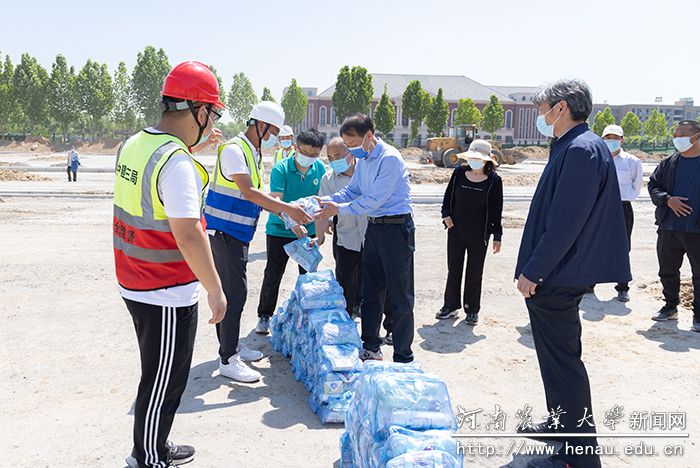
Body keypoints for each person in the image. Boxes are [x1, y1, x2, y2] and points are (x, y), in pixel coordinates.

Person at [114, 61, 227, 468]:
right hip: (163, 288)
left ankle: (156, 445)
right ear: (199, 111)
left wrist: (190, 150)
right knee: (163, 381)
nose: (212, 121)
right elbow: (188, 233)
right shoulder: (177, 163)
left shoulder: (136, 144)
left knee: (165, 375)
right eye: (212, 113)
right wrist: (215, 289)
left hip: (136, 276)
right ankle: (147, 457)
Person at [514, 79, 630, 468]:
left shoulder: (581, 149)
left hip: (558, 274)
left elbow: (566, 222)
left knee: (563, 363)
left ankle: (577, 457)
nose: (540, 116)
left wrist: (535, 270)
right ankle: (560, 425)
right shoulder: (573, 145)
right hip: (560, 272)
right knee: (556, 359)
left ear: (560, 108)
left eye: (542, 108)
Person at [204, 102, 312, 382]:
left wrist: (289, 219)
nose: (277, 136)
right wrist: (288, 209)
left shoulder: (252, 152)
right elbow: (250, 193)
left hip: (237, 232)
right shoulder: (233, 150)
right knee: (235, 295)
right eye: (275, 130)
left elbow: (262, 197)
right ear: (260, 125)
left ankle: (232, 347)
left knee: (235, 293)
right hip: (224, 231)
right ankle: (228, 359)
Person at [316, 113, 414, 363]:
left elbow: (374, 200)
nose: (351, 150)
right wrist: (329, 200)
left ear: (369, 136)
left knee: (399, 293)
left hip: (395, 229)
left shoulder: (389, 158)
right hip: (374, 228)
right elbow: (353, 190)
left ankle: (403, 354)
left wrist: (338, 209)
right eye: (347, 145)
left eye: (352, 144)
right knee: (371, 289)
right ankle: (371, 345)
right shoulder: (365, 160)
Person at [315, 137, 393, 343]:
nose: (334, 161)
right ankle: (345, 324)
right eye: (330, 157)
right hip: (346, 237)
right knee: (345, 283)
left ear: (350, 153)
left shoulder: (368, 172)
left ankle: (390, 326)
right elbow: (323, 210)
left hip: (373, 236)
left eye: (338, 156)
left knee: (381, 283)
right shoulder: (328, 179)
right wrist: (319, 235)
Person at [255, 128, 326, 334]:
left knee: (308, 275)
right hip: (279, 230)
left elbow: (321, 203)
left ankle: (307, 314)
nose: (310, 158)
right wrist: (291, 221)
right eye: (305, 153)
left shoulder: (319, 169)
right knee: (273, 274)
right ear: (296, 148)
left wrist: (320, 231)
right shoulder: (281, 168)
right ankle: (264, 315)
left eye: (314, 154)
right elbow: (274, 201)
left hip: (307, 232)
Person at [437, 139, 503, 326]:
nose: (474, 161)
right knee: (454, 270)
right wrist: (446, 215)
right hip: (455, 230)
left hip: (479, 235)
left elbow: (497, 210)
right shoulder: (459, 173)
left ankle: (472, 309)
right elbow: (448, 196)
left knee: (475, 272)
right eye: (472, 157)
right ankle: (450, 305)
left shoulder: (494, 181)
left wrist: (497, 235)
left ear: (487, 161)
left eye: (479, 158)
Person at [648, 119, 700, 332]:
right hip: (669, 227)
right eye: (675, 134)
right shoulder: (668, 163)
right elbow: (653, 186)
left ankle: (698, 316)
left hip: (696, 230)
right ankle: (670, 306)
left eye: (683, 134)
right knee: (667, 270)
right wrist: (668, 200)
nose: (677, 138)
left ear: (697, 137)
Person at [598, 124, 643, 301]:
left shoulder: (632, 161)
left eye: (615, 138)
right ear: (602, 140)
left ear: (622, 140)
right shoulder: (597, 159)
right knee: (594, 243)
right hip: (599, 207)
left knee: (623, 247)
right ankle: (589, 283)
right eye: (608, 138)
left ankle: (622, 286)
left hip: (622, 207)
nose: (611, 141)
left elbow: (637, 186)